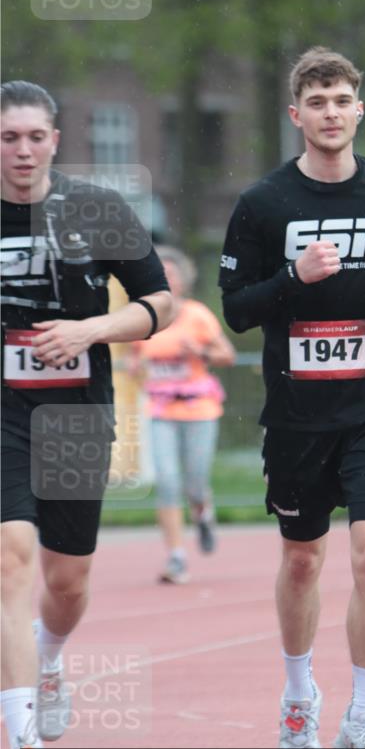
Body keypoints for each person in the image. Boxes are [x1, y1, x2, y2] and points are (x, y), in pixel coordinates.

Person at [218, 47, 365, 749]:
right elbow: (236, 310)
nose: (331, 113)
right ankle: (298, 700)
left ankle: (364, 715)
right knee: (302, 559)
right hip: (298, 412)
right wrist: (293, 276)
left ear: (359, 109)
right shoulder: (263, 204)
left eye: (342, 100)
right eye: (316, 102)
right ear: (296, 115)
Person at [1, 81, 173, 749]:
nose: (22, 150)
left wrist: (92, 329)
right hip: (3, 414)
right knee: (10, 557)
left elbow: (161, 302)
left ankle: (50, 660)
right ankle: (25, 744)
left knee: (66, 580)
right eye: (8, 137)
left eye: (34, 136)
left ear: (56, 141)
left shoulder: (95, 209)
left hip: (76, 413)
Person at [130, 246, 236, 584]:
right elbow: (136, 357)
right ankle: (176, 556)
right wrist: (137, 367)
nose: (166, 278)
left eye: (171, 273)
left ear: (183, 279)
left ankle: (203, 513)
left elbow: (227, 356)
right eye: (160, 272)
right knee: (167, 481)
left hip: (199, 408)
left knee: (195, 482)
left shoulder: (197, 315)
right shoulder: (144, 316)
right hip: (161, 409)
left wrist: (199, 351)